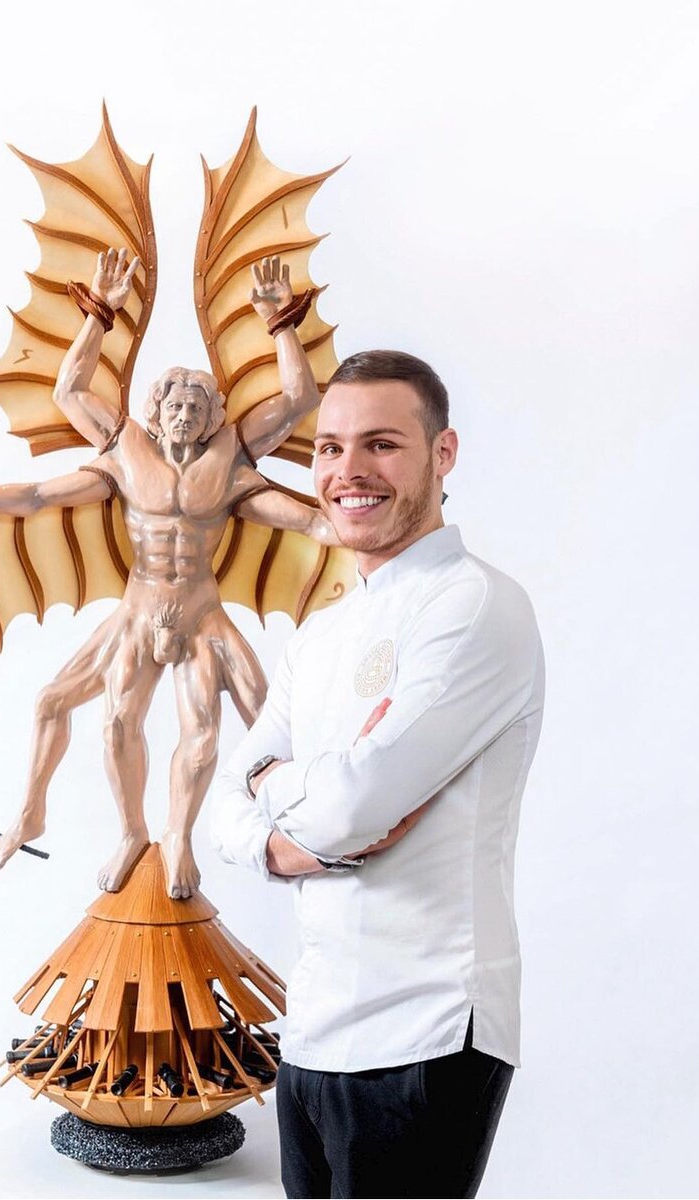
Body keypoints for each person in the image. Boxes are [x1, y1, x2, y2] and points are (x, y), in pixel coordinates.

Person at [209, 349, 545, 1199]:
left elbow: (353, 806)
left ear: (443, 453)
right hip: (312, 1036)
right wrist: (291, 830)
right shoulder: (320, 635)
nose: (348, 471)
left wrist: (284, 785)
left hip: (424, 1029)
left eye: (382, 444)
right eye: (330, 447)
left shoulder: (476, 605)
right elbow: (226, 805)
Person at [0, 250, 337, 899]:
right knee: (83, 711)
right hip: (139, 610)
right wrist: (99, 312)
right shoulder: (124, 450)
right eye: (175, 404)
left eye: (197, 407)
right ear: (156, 410)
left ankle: (183, 835)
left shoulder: (232, 457)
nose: (185, 414)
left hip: (201, 613)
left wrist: (280, 322)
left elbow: (299, 405)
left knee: (231, 724)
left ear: (212, 416)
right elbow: (49, 462)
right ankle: (107, 828)